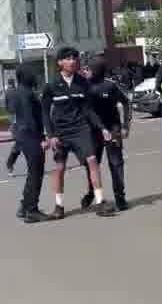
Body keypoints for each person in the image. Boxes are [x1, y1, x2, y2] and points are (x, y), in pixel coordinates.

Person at [41, 46, 114, 218]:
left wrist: (102, 128)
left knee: (92, 161)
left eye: (74, 58)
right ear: (60, 62)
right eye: (68, 58)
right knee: (59, 168)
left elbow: (89, 110)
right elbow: (44, 111)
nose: (72, 61)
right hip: (61, 132)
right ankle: (58, 206)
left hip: (81, 129)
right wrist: (50, 136)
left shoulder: (83, 83)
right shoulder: (51, 85)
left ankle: (99, 202)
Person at [83, 58, 131, 211]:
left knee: (116, 164)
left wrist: (125, 125)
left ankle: (120, 197)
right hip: (93, 130)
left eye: (89, 69)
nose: (87, 71)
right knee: (92, 165)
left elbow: (126, 102)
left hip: (112, 129)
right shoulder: (85, 86)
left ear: (97, 70)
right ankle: (92, 193)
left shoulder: (110, 86)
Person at [12, 67, 48, 223]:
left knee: (32, 173)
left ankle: (25, 206)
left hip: (23, 136)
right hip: (31, 137)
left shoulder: (20, 91)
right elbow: (30, 119)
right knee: (36, 173)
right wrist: (41, 138)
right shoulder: (26, 93)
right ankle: (32, 210)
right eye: (32, 74)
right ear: (25, 76)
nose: (34, 76)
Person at [4, 76, 21, 175]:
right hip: (18, 115)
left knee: (18, 143)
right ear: (13, 83)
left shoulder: (7, 92)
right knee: (19, 143)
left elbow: (5, 103)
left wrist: (8, 112)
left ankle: (10, 164)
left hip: (12, 114)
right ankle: (9, 164)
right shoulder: (17, 91)